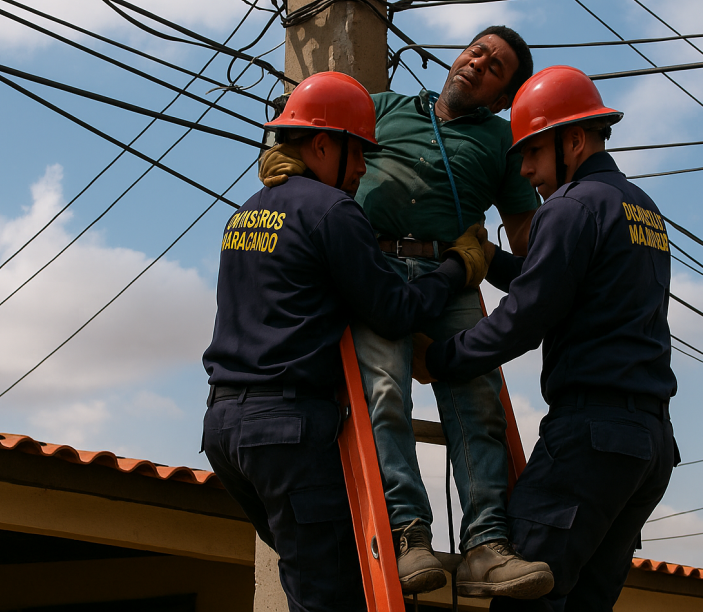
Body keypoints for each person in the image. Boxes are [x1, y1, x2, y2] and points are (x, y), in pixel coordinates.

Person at [201, 71, 490, 612]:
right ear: (320, 144)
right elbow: (394, 309)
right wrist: (456, 266)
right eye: (357, 154)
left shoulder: (246, 213)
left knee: (309, 573)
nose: (362, 170)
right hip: (287, 430)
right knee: (331, 594)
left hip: (225, 430)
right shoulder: (333, 211)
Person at [418, 65, 680, 611]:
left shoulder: (569, 206)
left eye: (533, 154)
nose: (528, 173)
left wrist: (443, 358)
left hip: (591, 437)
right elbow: (566, 287)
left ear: (574, 140)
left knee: (524, 599)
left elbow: (528, 315)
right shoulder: (640, 209)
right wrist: (491, 261)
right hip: (647, 446)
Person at [354, 25, 553, 599]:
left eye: (496, 68)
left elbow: (525, 234)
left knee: (477, 401)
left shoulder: (500, 141)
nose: (479, 64)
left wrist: (557, 272)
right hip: (376, 268)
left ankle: (486, 547)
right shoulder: (383, 106)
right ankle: (408, 534)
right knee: (385, 391)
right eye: (478, 52)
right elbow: (317, 155)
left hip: (451, 276)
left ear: (501, 97)